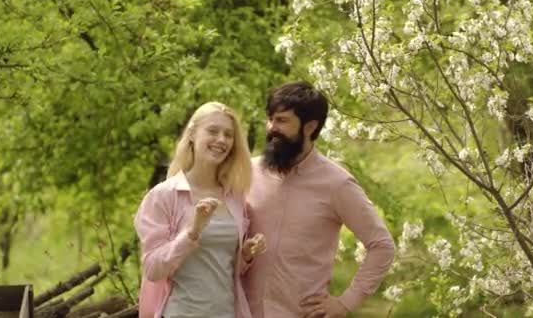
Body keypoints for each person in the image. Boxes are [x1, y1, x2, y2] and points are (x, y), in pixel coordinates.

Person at [243, 81, 396, 318]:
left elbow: (382, 245)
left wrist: (345, 303)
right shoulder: (246, 173)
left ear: (309, 127)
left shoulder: (337, 184)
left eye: (282, 121)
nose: (271, 128)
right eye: (270, 119)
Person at [134, 102, 266, 318]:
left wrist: (246, 254)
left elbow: (222, 268)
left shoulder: (235, 198)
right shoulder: (164, 196)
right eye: (213, 131)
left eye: (228, 135)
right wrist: (192, 232)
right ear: (193, 134)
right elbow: (153, 269)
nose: (221, 140)